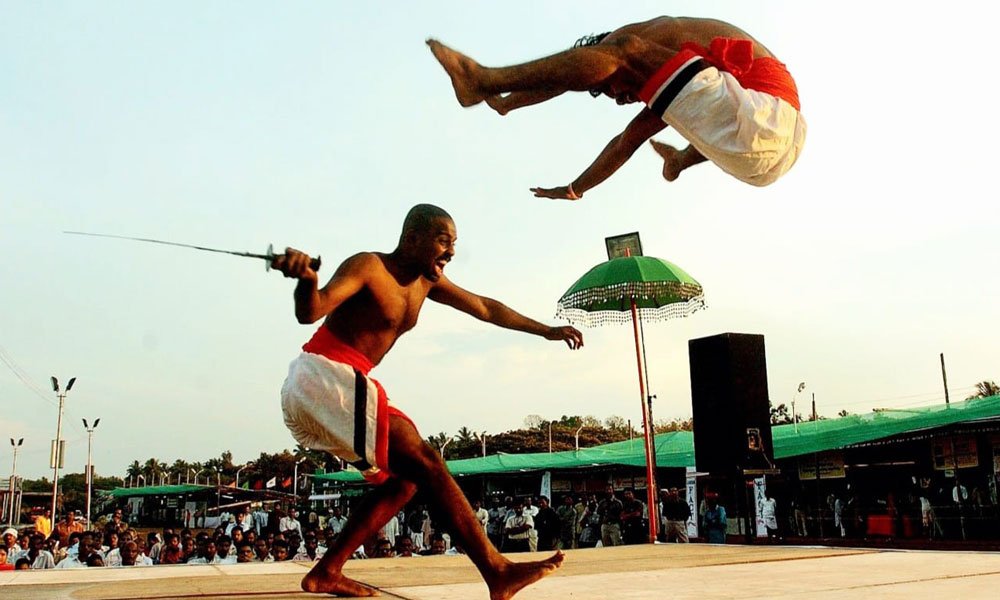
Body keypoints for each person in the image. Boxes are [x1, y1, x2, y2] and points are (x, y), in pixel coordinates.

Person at [272, 204, 581, 598]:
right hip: (323, 375)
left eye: (454, 245)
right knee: (427, 460)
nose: (450, 252)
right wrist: (307, 279)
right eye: (443, 241)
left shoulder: (428, 283)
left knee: (405, 481)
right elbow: (311, 311)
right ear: (412, 238)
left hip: (338, 384)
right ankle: (497, 570)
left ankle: (326, 571)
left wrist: (546, 330)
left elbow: (486, 308)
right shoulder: (369, 266)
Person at [428, 16, 805, 196]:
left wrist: (503, 94)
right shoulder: (694, 83)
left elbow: (571, 74)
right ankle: (680, 160)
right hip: (774, 142)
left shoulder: (654, 34)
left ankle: (481, 79)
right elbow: (624, 143)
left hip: (768, 125)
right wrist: (573, 189)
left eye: (614, 89)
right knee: (693, 114)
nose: (624, 98)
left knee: (625, 53)